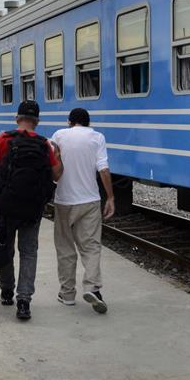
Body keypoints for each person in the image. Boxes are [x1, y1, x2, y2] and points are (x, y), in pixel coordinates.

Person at [0, 100, 62, 320]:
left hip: (5, 205)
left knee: (5, 247)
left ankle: (6, 290)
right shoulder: (44, 144)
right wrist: (58, 155)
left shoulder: (5, 139)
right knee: (29, 251)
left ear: (17, 118)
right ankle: (24, 301)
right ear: (37, 121)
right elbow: (57, 175)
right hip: (32, 207)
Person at [49, 108, 115, 313]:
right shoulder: (97, 137)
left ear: (69, 122)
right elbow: (103, 169)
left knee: (65, 248)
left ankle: (67, 294)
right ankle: (92, 287)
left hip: (64, 201)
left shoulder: (58, 136)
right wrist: (110, 197)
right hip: (90, 200)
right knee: (91, 246)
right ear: (88, 122)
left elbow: (53, 166)